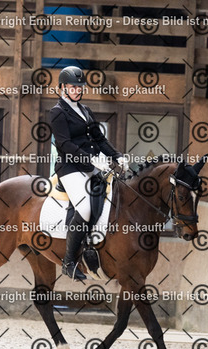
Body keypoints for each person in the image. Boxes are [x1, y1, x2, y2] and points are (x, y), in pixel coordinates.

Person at [49, 66, 129, 280]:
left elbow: (99, 139)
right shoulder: (57, 112)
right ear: (63, 87)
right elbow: (64, 144)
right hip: (70, 168)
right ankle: (69, 262)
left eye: (80, 87)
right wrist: (91, 159)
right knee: (84, 207)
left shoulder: (85, 110)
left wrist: (117, 156)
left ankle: (94, 245)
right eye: (73, 87)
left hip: (91, 167)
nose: (77, 90)